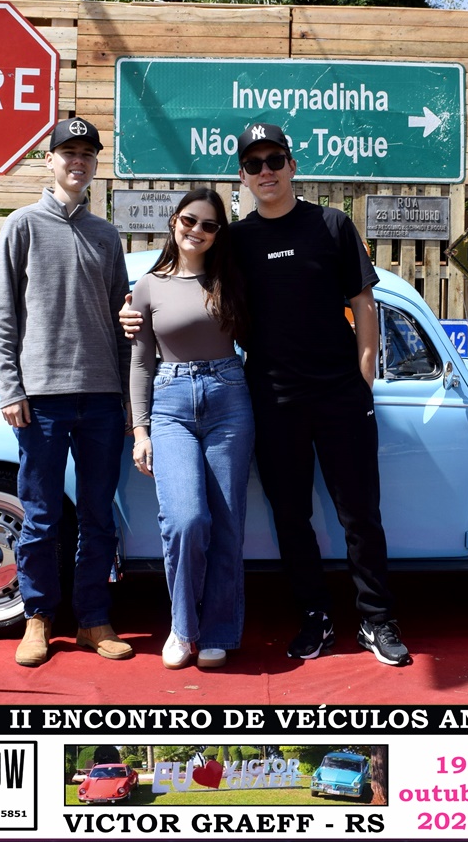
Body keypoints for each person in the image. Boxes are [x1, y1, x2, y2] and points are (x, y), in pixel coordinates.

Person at [123, 122, 412, 667]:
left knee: (359, 512)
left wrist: (364, 378)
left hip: (339, 394)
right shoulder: (237, 240)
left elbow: (364, 302)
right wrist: (132, 310)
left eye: (275, 160)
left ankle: (377, 620)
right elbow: (185, 277)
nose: (266, 171)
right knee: (291, 516)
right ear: (243, 176)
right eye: (254, 164)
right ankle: (315, 618)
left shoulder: (332, 224)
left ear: (292, 165)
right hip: (271, 399)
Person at [0, 117, 134, 666]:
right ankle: (38, 618)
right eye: (68, 152)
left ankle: (93, 619)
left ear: (95, 164)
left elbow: (124, 323)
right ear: (48, 160)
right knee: (42, 517)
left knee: (98, 517)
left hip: (102, 399)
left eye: (87, 154)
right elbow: (2, 317)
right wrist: (11, 389)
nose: (78, 161)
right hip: (42, 399)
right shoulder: (21, 226)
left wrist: (128, 398)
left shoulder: (106, 235)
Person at [128, 188, 254, 670]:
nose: (196, 230)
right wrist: (140, 431)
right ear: (174, 221)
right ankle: (182, 628)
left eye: (208, 225)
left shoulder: (231, 278)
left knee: (227, 522)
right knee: (185, 520)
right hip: (170, 404)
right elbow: (141, 362)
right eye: (189, 220)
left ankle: (219, 630)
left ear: (219, 234)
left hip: (229, 398)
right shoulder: (148, 286)